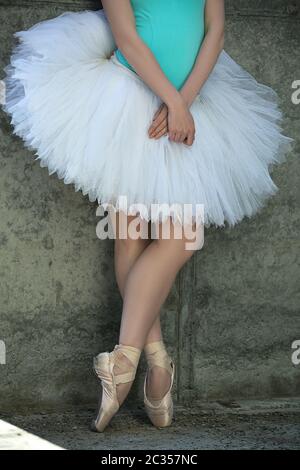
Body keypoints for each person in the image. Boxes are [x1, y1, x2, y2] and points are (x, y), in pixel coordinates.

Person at [2, 0, 293, 432]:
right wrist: (172, 100)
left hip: (193, 103)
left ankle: (125, 360)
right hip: (129, 98)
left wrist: (183, 103)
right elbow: (128, 38)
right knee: (130, 236)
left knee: (182, 237)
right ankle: (157, 368)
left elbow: (214, 31)